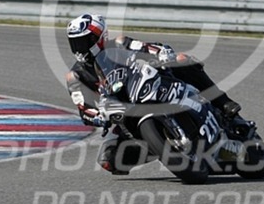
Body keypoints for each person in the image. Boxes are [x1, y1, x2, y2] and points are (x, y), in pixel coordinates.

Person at [65, 13, 244, 175]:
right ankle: (164, 148)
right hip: (123, 114)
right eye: (75, 43)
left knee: (182, 60)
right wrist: (98, 117)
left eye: (85, 41)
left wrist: (161, 52)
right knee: (108, 159)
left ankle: (223, 103)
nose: (80, 48)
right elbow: (83, 109)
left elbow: (145, 47)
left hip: (147, 85)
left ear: (100, 37)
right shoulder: (75, 76)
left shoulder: (119, 43)